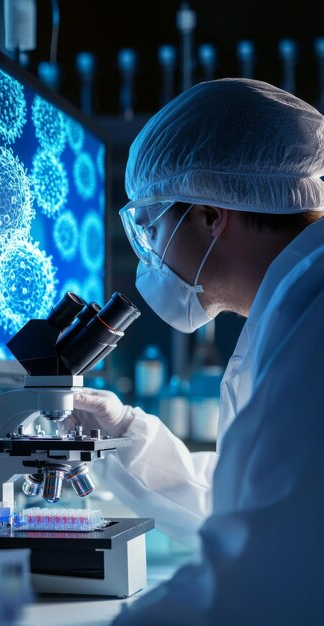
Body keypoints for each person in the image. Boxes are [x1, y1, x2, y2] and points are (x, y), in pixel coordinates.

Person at [71, 79, 324, 624]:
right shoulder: (294, 307)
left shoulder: (314, 325)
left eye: (152, 228)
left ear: (212, 217)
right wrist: (123, 434)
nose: (151, 257)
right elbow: (251, 506)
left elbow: (256, 582)